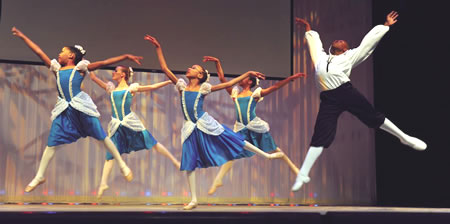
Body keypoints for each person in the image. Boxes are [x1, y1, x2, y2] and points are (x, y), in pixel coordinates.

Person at [144, 34, 284, 210]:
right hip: (189, 127)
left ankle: (267, 155)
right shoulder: (182, 86)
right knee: (189, 161)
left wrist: (248, 73)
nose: (189, 68)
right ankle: (194, 199)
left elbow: (231, 82)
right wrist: (158, 47)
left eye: (193, 67)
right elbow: (164, 68)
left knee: (235, 139)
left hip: (205, 122)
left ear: (200, 74)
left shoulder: (204, 88)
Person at [291, 11, 426, 192]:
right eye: (337, 40)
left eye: (342, 41)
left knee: (372, 116)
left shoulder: (350, 56)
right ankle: (303, 174)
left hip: (345, 92)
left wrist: (385, 26)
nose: (339, 39)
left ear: (346, 49)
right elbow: (314, 43)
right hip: (328, 99)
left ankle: (405, 138)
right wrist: (308, 27)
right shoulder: (321, 57)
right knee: (321, 134)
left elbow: (367, 44)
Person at [12, 27, 142, 193]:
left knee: (101, 136)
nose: (59, 53)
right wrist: (23, 36)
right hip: (65, 109)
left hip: (81, 107)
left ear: (71, 56)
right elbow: (38, 51)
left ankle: (122, 165)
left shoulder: (80, 68)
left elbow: (102, 63)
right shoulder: (57, 69)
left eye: (62, 51)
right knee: (51, 143)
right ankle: (39, 176)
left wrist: (125, 57)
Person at [203, 56, 305, 195]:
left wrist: (290, 78)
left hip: (254, 126)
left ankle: (296, 170)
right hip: (241, 127)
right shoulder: (235, 93)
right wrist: (217, 63)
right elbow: (222, 80)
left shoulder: (255, 94)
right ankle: (218, 180)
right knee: (232, 152)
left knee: (274, 149)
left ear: (249, 81)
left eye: (244, 78)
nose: (240, 78)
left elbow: (275, 87)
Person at [89, 66, 180, 198]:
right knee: (111, 154)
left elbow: (152, 87)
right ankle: (103, 183)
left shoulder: (131, 88)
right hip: (116, 124)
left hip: (129, 121)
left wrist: (168, 82)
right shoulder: (111, 89)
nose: (113, 72)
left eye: (116, 71)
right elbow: (93, 77)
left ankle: (174, 161)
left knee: (151, 142)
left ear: (123, 75)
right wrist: (90, 66)